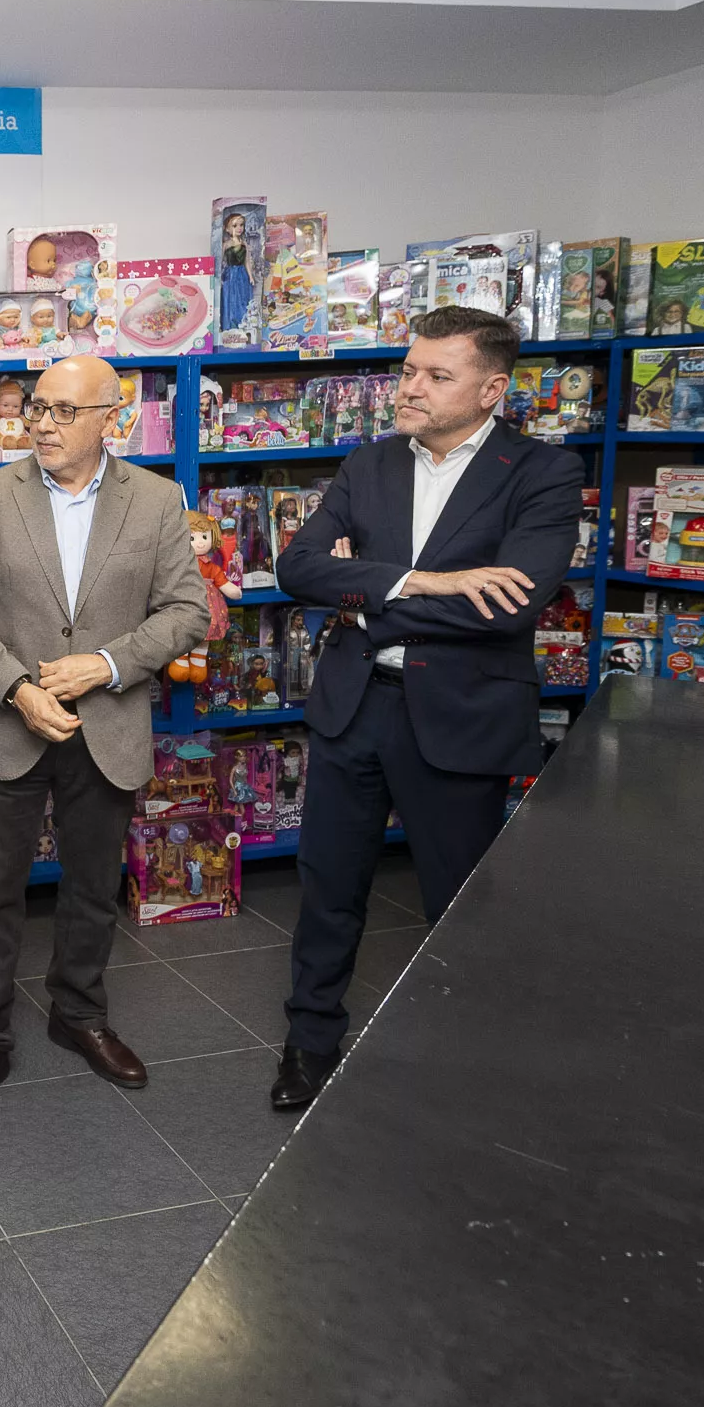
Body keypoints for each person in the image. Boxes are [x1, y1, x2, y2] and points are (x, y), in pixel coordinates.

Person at [270, 304, 581, 1110]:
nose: (410, 387)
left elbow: (509, 607)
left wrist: (364, 596)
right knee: (328, 886)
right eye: (410, 370)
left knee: (459, 900)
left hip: (460, 716)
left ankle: (462, 1059)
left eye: (436, 375)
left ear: (490, 390)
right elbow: (297, 568)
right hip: (354, 707)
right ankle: (308, 1045)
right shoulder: (369, 463)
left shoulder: (543, 473)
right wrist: (428, 582)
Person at [0, 353, 210, 1120]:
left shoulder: (155, 500)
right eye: (36, 407)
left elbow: (187, 611)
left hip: (108, 724)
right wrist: (20, 689)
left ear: (111, 420)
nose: (42, 424)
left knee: (92, 888)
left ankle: (78, 1012)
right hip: (7, 725)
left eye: (63, 410)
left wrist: (108, 663)